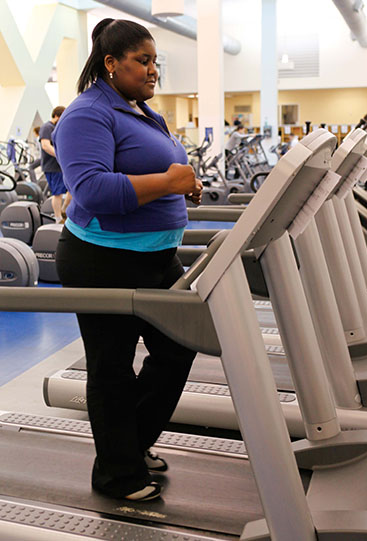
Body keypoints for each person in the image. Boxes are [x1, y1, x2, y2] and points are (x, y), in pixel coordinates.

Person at [53, 18, 202, 503]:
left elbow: (160, 171)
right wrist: (170, 183)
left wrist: (186, 187)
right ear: (111, 63)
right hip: (103, 259)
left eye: (155, 60)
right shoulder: (87, 114)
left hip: (156, 257)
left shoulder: (139, 110)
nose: (153, 69)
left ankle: (128, 446)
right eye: (143, 60)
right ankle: (118, 473)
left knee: (179, 349)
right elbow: (91, 190)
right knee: (112, 366)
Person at [39, 106, 67, 222]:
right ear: (56, 116)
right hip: (52, 166)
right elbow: (45, 146)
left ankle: (64, 211)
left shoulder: (58, 127)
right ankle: (57, 218)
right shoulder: (47, 127)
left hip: (61, 166)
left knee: (71, 190)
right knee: (58, 193)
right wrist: (60, 155)